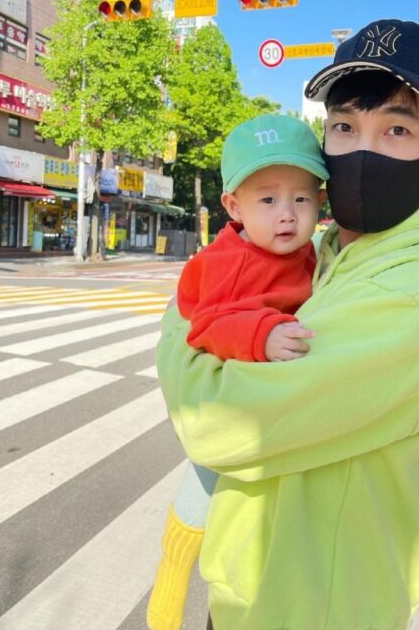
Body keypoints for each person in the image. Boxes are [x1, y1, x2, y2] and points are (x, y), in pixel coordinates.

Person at [155, 19, 419, 630]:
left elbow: (217, 424)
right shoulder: (337, 251)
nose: (362, 151)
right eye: (344, 127)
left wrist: (182, 315)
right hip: (262, 592)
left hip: (317, 606)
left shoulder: (417, 292)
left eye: (397, 129)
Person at [147, 114, 328, 630]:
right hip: (229, 395)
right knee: (205, 482)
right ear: (234, 206)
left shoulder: (308, 250)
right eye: (267, 199)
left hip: (272, 400)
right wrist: (262, 335)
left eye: (301, 199)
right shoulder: (230, 260)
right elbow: (207, 324)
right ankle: (170, 584)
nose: (287, 215)